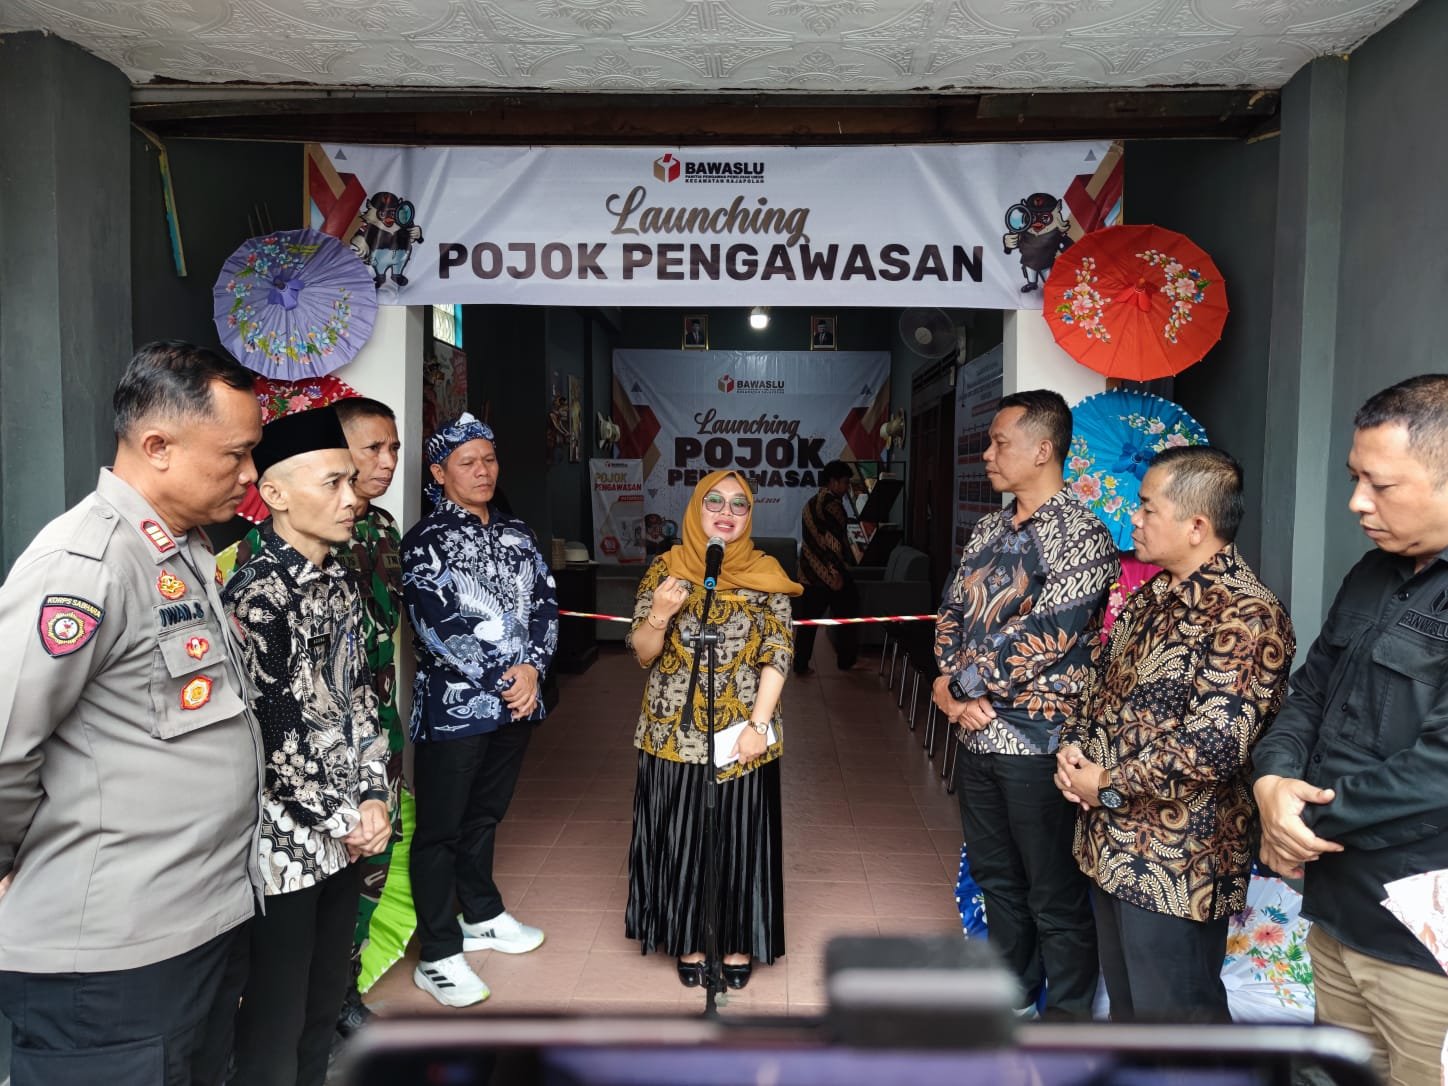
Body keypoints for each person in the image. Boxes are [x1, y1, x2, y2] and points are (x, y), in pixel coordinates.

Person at [0, 341, 263, 1085]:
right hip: (113, 958)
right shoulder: (85, 564)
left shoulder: (181, 548)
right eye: (236, 455)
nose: (250, 477)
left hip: (196, 925)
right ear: (158, 447)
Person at [1252, 375, 1448, 1084]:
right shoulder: (1372, 573)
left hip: (1422, 936)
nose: (1357, 502)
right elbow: (1310, 692)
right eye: (1354, 477)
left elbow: (1438, 771)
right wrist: (1272, 782)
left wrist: (1299, 819)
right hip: (1336, 904)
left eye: (1380, 484)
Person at [1055, 447, 1295, 1022]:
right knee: (1131, 1017)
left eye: (1146, 507)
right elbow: (1099, 687)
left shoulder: (1244, 616)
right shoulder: (1149, 597)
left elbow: (1214, 745)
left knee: (1179, 1025)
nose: (1132, 519)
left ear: (1197, 525)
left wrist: (1107, 783)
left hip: (1178, 860)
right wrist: (1073, 754)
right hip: (1109, 843)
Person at [931, 389, 1117, 1019]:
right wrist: (951, 688)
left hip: (1039, 741)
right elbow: (952, 613)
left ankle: (1065, 1019)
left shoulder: (1082, 534)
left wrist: (963, 688)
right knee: (996, 879)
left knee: (1053, 893)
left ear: (1043, 449)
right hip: (975, 735)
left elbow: (1050, 630)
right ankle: (1012, 996)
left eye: (999, 442)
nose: (987, 455)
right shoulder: (988, 527)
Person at [223, 406, 391, 1086]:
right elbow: (272, 728)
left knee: (326, 994)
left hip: (347, 827)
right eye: (333, 484)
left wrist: (376, 791)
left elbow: (358, 696)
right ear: (276, 494)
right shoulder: (255, 594)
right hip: (283, 844)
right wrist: (346, 816)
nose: (352, 499)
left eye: (352, 482)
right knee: (275, 1010)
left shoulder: (342, 582)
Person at [401, 412, 558, 1008]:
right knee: (440, 830)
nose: (483, 470)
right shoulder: (425, 542)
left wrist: (532, 670)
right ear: (440, 472)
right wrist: (500, 676)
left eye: (489, 459)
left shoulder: (519, 534)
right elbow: (436, 626)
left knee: (485, 814)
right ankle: (439, 954)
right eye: (468, 462)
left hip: (517, 704)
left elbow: (545, 603)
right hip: (455, 710)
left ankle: (482, 912)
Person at [626, 470, 802, 991]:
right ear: (696, 509)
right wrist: (659, 614)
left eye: (739, 505)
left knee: (740, 837)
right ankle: (689, 937)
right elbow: (641, 652)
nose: (726, 512)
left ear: (751, 516)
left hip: (742, 734)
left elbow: (779, 651)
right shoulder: (666, 568)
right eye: (715, 502)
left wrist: (758, 724)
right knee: (682, 838)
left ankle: (738, 940)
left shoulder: (767, 572)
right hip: (670, 733)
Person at [331, 397, 406, 1033]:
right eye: (372, 448)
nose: (386, 462)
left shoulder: (381, 531)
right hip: (324, 740)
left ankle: (344, 993)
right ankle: (309, 1002)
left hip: (381, 727)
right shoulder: (297, 538)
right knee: (326, 867)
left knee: (373, 867)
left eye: (394, 449)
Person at [794, 459, 860, 674]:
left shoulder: (809, 504)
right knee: (849, 614)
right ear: (833, 482)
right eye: (844, 483)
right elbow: (834, 544)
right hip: (830, 574)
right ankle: (846, 661)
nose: (846, 487)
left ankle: (800, 664)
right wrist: (836, 574)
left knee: (807, 623)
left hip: (808, 573)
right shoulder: (833, 505)